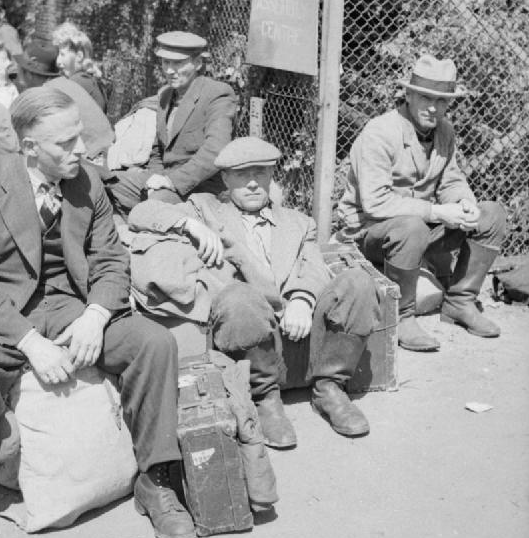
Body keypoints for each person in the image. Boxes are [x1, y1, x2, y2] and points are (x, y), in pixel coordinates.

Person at [0, 88, 196, 538]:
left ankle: (157, 479)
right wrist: (30, 343)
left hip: (68, 305)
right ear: (29, 147)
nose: (81, 149)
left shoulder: (88, 181)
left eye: (80, 136)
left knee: (155, 344)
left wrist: (95, 315)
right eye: (66, 143)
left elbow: (112, 260)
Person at [129, 137, 380, 446]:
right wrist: (189, 225)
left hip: (301, 335)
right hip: (249, 340)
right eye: (241, 175)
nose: (252, 183)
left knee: (358, 281)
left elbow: (313, 266)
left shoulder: (299, 223)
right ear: (225, 178)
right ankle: (264, 399)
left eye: (260, 173)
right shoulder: (204, 209)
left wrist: (302, 299)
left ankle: (329, 388)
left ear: (271, 175)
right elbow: (142, 213)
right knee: (237, 296)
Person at [336, 54, 507, 352]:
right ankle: (401, 316)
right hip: (368, 234)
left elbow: (450, 180)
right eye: (426, 97)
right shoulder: (380, 132)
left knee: (491, 214)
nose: (433, 107)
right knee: (412, 226)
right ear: (409, 94)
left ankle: (460, 302)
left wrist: (464, 203)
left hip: (418, 232)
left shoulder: (444, 131)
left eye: (442, 101)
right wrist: (437, 212)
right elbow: (375, 203)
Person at [107, 31, 238, 214]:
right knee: (105, 181)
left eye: (177, 63)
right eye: (165, 62)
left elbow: (216, 150)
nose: (169, 70)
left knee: (155, 204)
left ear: (198, 63)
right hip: (164, 179)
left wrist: (171, 182)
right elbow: (158, 151)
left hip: (201, 186)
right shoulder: (165, 95)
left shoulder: (217, 94)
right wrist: (153, 178)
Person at [52, 21, 109, 112]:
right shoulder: (87, 80)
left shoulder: (79, 81)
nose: (58, 61)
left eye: (62, 54)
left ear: (79, 56)